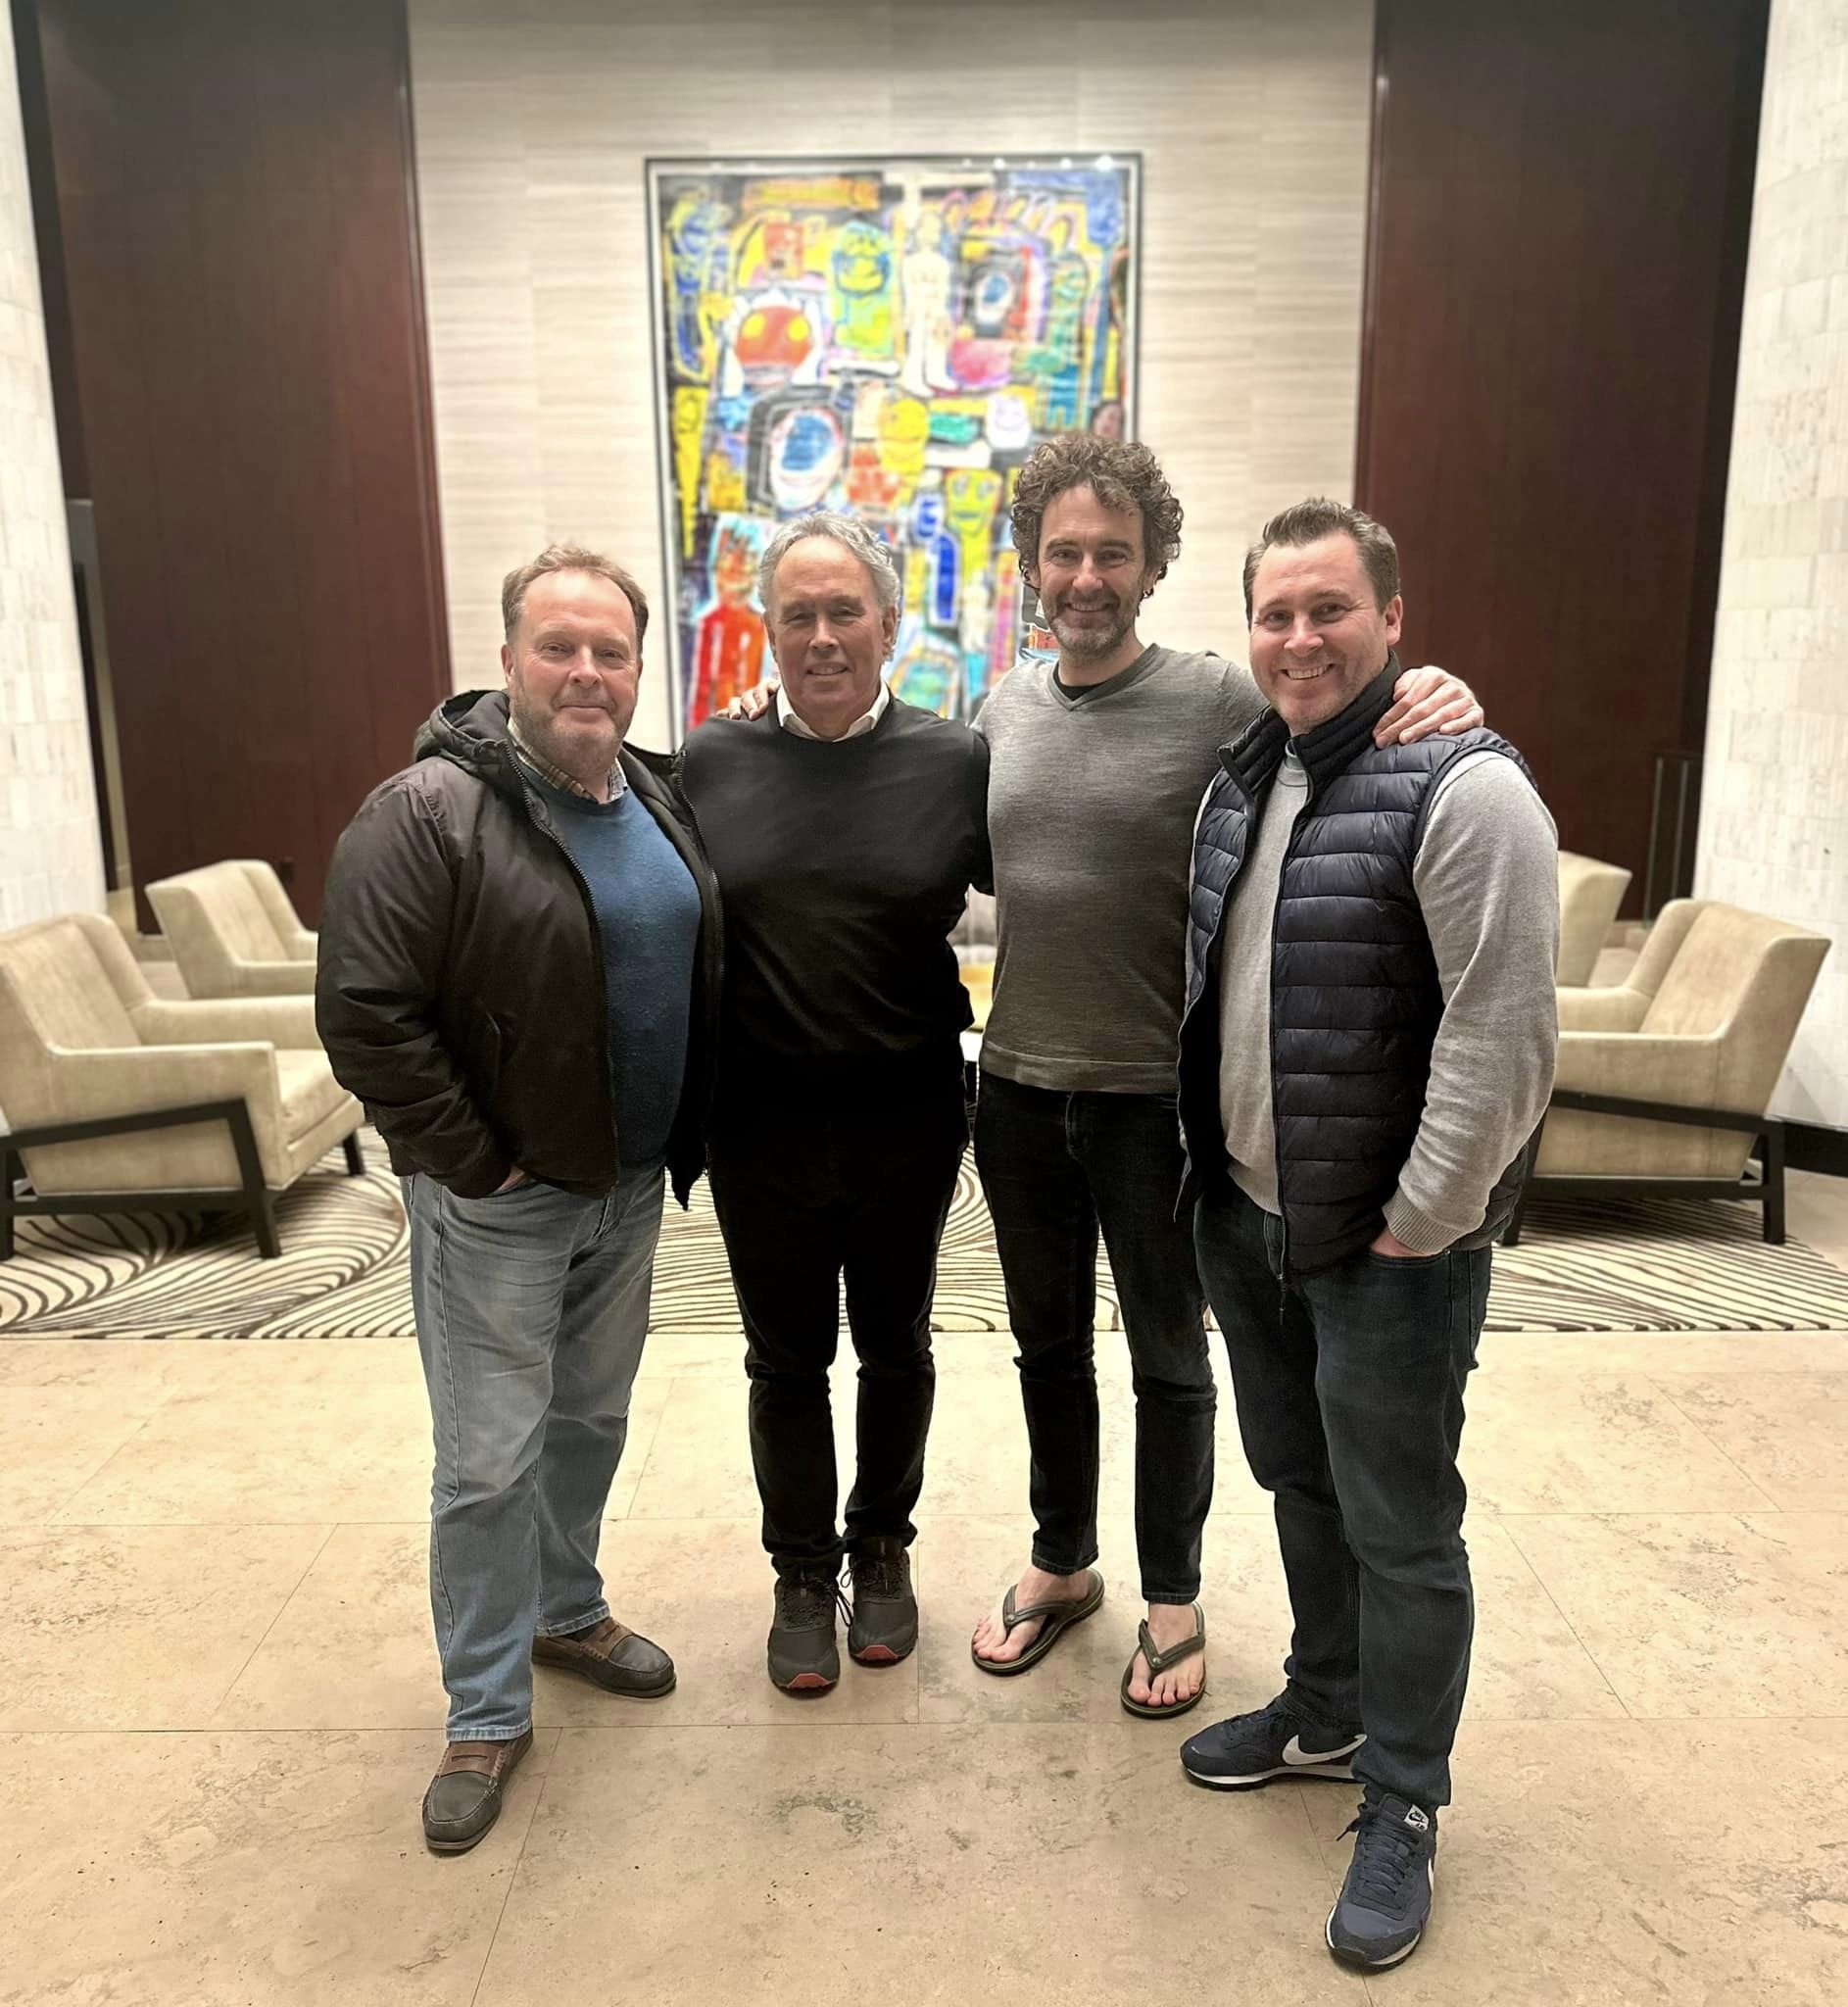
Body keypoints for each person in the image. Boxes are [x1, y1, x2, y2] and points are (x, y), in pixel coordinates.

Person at [963, 435, 1483, 1718]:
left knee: (1167, 1358)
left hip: (1155, 1102)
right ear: (1030, 564)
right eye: (1063, 552)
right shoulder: (1001, 709)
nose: (1086, 576)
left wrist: (1436, 690)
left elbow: (1336, 724)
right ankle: (1059, 1561)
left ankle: (1170, 1598)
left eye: (1114, 553)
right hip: (1016, 1091)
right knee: (1043, 1350)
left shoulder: (1213, 700)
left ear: (1152, 567)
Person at [1174, 499, 1557, 1968]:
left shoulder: (1466, 787)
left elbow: (1502, 1035)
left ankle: (1401, 1795)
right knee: (1298, 1482)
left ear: (1390, 619)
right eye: (1274, 613)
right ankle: (1325, 1707)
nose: (1298, 638)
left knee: (1400, 1527)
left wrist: (1420, 1225)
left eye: (1328, 608)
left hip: (1385, 1245)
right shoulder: (1243, 774)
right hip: (1247, 1214)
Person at [316, 544, 721, 1855]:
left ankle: (565, 1608)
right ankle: (484, 1709)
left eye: (611, 650)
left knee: (589, 1420)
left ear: (638, 667)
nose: (586, 671)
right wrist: (475, 1162)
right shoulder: (424, 811)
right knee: (488, 1457)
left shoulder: (652, 793)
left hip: (627, 1184)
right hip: (501, 1201)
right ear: (506, 661)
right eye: (559, 647)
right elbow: (366, 1012)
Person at [681, 511, 990, 1694]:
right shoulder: (710, 758)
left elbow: (1064, 858)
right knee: (784, 1359)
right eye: (797, 614)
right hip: (756, 1122)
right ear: (768, 630)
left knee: (896, 1346)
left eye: (843, 611)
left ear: (888, 625)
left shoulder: (954, 760)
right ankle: (803, 1569)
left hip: (906, 1117)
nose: (821, 636)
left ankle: (881, 1545)